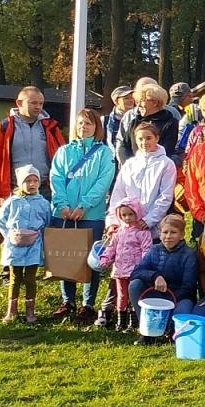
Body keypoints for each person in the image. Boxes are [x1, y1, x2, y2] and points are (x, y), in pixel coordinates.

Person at [46, 109, 117, 321]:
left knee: (90, 260)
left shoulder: (104, 154)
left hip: (91, 215)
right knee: (65, 255)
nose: (83, 127)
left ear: (96, 127)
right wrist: (62, 205)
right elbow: (56, 178)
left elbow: (103, 182)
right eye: (80, 123)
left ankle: (87, 304)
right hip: (64, 214)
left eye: (88, 123)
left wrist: (84, 206)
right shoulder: (64, 151)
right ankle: (67, 301)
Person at [0, 86, 65, 208]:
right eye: (33, 103)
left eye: (41, 103)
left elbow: (63, 160)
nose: (38, 107)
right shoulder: (4, 128)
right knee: (16, 227)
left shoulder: (51, 128)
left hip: (45, 189)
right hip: (14, 190)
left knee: (46, 226)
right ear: (19, 103)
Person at [0, 164, 53, 324]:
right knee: (15, 278)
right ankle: (11, 310)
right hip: (15, 246)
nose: (32, 184)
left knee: (30, 279)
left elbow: (47, 223)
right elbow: (0, 219)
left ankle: (30, 310)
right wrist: (9, 235)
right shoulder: (12, 202)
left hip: (34, 246)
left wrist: (40, 238)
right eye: (28, 181)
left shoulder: (43, 203)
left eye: (35, 180)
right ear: (20, 183)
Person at [130, 213, 200, 331]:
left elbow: (189, 287)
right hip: (155, 294)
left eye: (173, 232)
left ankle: (170, 329)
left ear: (182, 235)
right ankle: (146, 327)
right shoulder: (154, 249)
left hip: (180, 297)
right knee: (135, 284)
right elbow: (136, 272)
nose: (168, 236)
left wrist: (167, 303)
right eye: (165, 232)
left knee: (182, 313)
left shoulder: (189, 254)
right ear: (160, 234)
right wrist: (155, 276)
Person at [108, 121, 179, 234]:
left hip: (152, 229)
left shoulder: (166, 164)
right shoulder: (129, 164)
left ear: (157, 138)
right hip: (128, 228)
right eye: (140, 139)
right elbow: (118, 194)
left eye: (148, 138)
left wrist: (149, 220)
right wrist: (113, 222)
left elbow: (165, 196)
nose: (144, 142)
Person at [97, 197, 152, 331]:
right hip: (120, 270)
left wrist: (143, 265)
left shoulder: (143, 232)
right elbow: (112, 248)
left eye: (130, 214)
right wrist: (106, 258)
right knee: (121, 296)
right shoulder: (119, 233)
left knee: (135, 295)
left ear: (137, 213)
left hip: (135, 271)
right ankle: (121, 322)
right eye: (124, 215)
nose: (127, 218)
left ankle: (134, 322)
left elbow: (147, 249)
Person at [116, 82, 181, 164]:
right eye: (137, 102)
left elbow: (167, 150)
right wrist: (129, 165)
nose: (138, 105)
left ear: (155, 103)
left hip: (157, 169)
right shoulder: (134, 122)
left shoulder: (170, 123)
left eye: (142, 101)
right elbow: (124, 146)